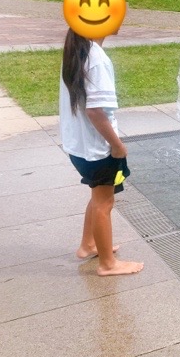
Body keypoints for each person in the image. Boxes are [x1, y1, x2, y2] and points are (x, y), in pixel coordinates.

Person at [60, 28, 144, 276]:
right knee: (104, 202)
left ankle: (88, 245)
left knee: (97, 196)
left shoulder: (78, 50)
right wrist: (117, 145)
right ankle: (108, 264)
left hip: (80, 145)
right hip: (97, 148)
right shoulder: (95, 58)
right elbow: (95, 111)